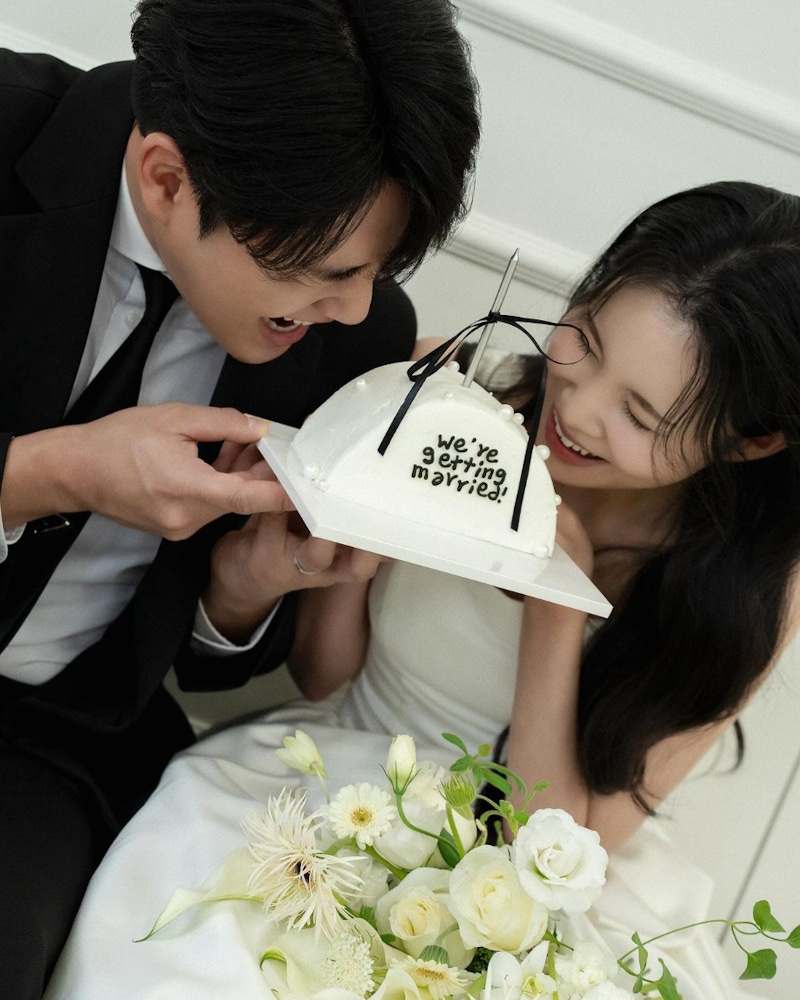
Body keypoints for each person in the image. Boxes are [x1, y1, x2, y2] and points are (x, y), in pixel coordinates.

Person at [44, 180, 799, 1000]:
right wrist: (369, 481)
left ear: (751, 442)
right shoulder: (467, 419)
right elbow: (324, 672)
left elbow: (553, 847)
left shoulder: (747, 592)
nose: (578, 409)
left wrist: (555, 597)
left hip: (530, 882)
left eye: (641, 416)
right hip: (337, 786)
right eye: (583, 341)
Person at [0, 0, 480, 995]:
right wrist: (47, 473)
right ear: (165, 178)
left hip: (45, 743)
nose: (352, 305)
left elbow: (197, 658)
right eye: (322, 271)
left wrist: (244, 586)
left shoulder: (354, 337)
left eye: (377, 269)